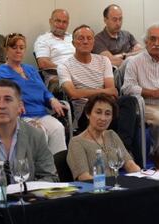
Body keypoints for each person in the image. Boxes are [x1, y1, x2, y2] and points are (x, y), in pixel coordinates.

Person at [0, 33, 67, 155]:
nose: (18, 51)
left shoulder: (31, 69)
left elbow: (44, 91)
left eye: (21, 47)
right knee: (39, 133)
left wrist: (52, 99)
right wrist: (14, 104)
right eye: (14, 47)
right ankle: (37, 171)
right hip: (20, 116)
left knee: (58, 128)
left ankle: (56, 169)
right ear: (6, 49)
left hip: (41, 113)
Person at [67, 93, 140, 181]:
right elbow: (84, 178)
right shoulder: (77, 142)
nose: (103, 118)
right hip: (96, 191)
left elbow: (130, 164)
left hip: (117, 188)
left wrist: (143, 177)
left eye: (107, 114)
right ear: (88, 114)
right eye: (98, 112)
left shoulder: (111, 135)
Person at [58, 25, 118, 127]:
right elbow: (73, 94)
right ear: (73, 43)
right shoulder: (64, 66)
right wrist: (103, 91)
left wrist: (85, 92)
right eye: (81, 38)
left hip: (107, 106)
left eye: (89, 38)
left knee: (129, 102)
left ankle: (123, 143)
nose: (85, 41)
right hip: (85, 111)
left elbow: (111, 91)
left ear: (93, 42)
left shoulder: (104, 60)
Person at [121, 23, 159, 152]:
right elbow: (127, 88)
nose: (157, 43)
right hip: (145, 106)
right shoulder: (134, 61)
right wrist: (152, 93)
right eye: (153, 39)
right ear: (146, 41)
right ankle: (156, 154)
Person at [34, 9, 75, 92]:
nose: (61, 24)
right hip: (57, 76)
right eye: (58, 21)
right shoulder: (43, 39)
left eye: (64, 22)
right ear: (50, 21)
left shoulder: (73, 37)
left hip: (79, 72)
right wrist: (67, 71)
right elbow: (43, 63)